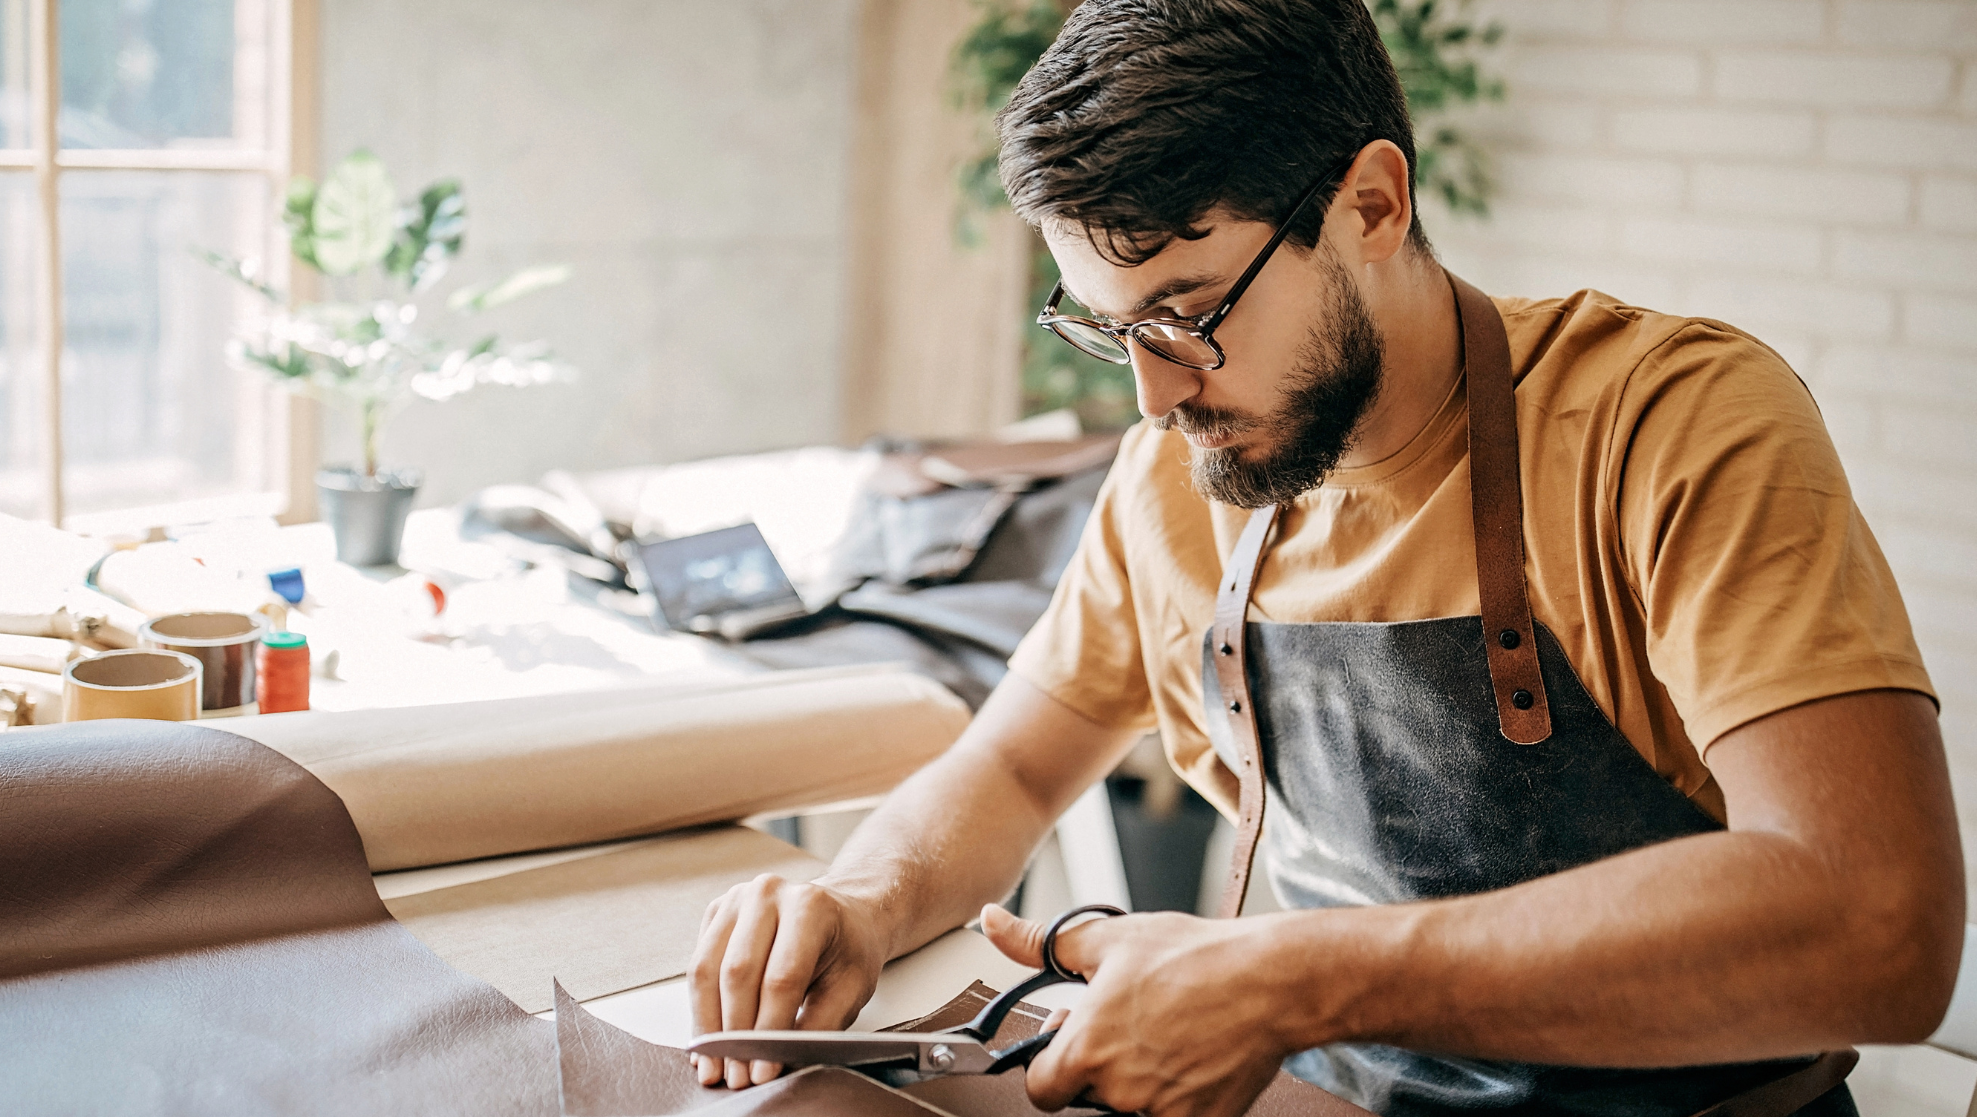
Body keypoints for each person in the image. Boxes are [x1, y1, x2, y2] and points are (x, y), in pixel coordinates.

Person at [687, 2, 1962, 1114]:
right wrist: (859, 897)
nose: (1149, 398)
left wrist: (1290, 977)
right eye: (1110, 329)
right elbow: (1018, 762)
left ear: (1371, 203)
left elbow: (1878, 925)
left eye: (1186, 316)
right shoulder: (1173, 480)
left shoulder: (1668, 423)